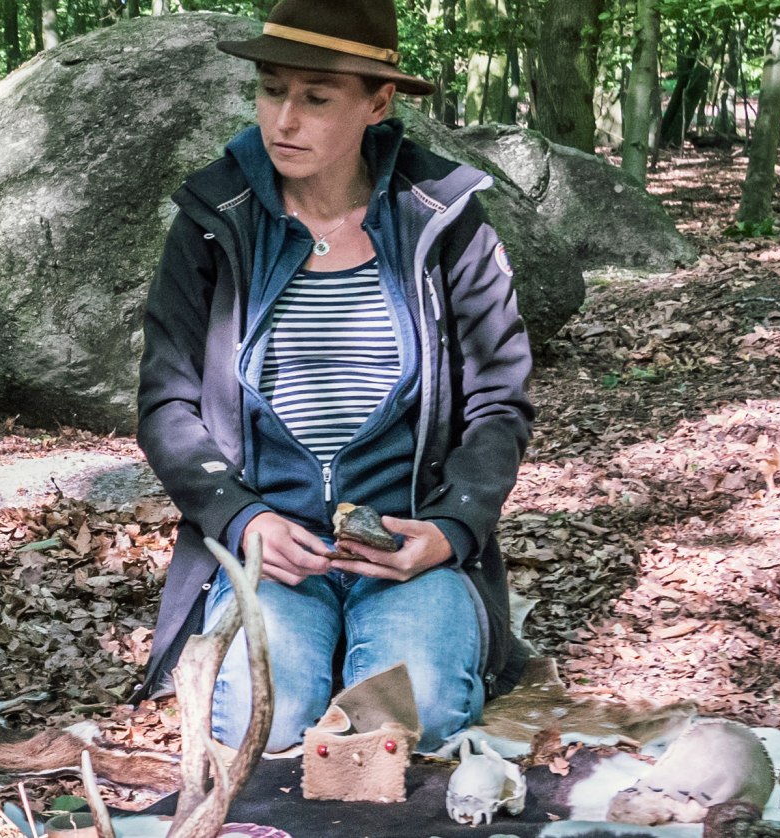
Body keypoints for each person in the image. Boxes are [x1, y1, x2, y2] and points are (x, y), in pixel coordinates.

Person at [133, 0, 533, 754]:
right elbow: (167, 404)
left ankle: (419, 632)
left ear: (377, 103)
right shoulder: (214, 220)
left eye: (316, 98)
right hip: (269, 547)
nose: (284, 118)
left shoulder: (442, 223)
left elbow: (499, 402)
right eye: (271, 88)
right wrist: (243, 518)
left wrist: (449, 531)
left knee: (410, 726)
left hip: (405, 548)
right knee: (266, 723)